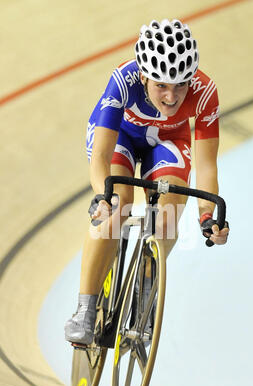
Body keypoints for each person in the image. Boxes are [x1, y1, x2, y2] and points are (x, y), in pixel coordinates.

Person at [65, 19, 229, 345]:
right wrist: (103, 196)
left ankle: (144, 289)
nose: (171, 97)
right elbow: (101, 157)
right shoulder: (122, 81)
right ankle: (85, 309)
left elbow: (207, 166)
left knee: (167, 215)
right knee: (118, 206)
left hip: (168, 142)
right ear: (143, 76)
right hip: (121, 137)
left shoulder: (205, 92)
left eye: (181, 85)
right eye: (161, 86)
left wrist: (207, 216)